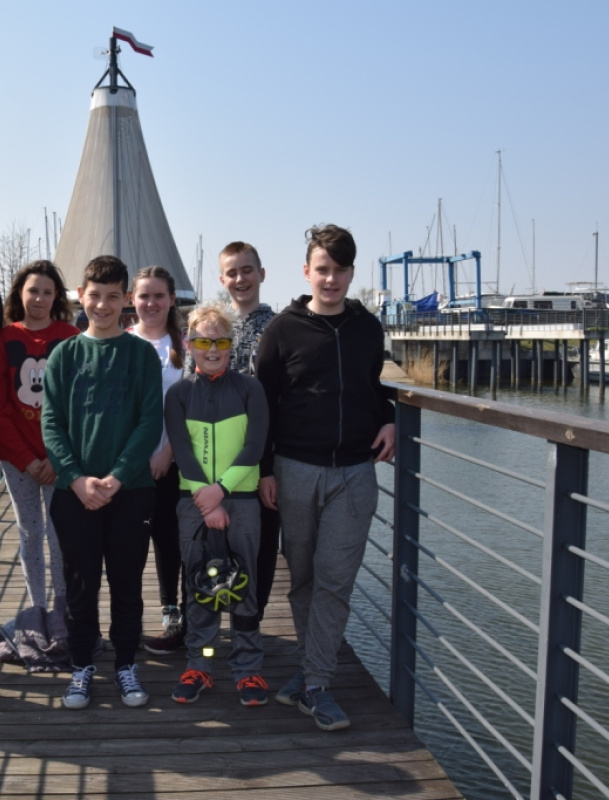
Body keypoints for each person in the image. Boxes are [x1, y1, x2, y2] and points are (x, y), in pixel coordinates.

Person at [255, 224, 395, 732]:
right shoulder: (282, 330)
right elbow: (264, 405)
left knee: (335, 579)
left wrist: (390, 417)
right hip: (295, 469)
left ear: (352, 273)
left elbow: (372, 386)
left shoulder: (367, 328)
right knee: (304, 579)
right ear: (306, 272)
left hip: (354, 473)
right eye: (322, 269)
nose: (330, 279)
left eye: (339, 270)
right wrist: (265, 470)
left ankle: (316, 683)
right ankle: (309, 669)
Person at [41, 255, 162, 710]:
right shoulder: (65, 354)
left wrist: (117, 476)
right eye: (95, 296)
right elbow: (51, 424)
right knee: (80, 585)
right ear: (80, 295)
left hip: (130, 492)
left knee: (127, 584)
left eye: (114, 297)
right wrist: (75, 479)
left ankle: (126, 663)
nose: (103, 305)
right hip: (74, 495)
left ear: (126, 298)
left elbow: (149, 423)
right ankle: (81, 665)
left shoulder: (141, 354)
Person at [165, 303, 270, 707]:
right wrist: (208, 504)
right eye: (203, 342)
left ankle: (247, 668)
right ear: (188, 344)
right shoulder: (179, 394)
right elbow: (182, 452)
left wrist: (221, 492)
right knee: (201, 586)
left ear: (231, 344)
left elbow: (254, 446)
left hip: (240, 499)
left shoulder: (249, 389)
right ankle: (202, 664)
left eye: (221, 342)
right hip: (194, 500)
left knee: (244, 587)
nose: (212, 350)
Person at [0, 261, 79, 612]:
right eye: (32, 291)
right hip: (18, 459)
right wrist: (26, 459)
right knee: (29, 532)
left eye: (47, 292)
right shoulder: (6, 338)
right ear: (19, 294)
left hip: (60, 459)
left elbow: (78, 404)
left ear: (56, 297)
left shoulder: (70, 337)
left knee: (60, 534)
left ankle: (62, 608)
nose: (39, 298)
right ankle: (38, 606)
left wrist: (57, 457)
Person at [216, 242, 281, 621]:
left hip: (262, 457)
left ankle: (251, 619)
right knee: (216, 541)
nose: (240, 279)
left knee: (261, 542)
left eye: (247, 270)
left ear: (261, 274)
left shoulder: (279, 327)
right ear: (222, 279)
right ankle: (210, 621)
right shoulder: (215, 326)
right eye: (232, 272)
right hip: (218, 456)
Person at [127, 266, 187, 656]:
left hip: (173, 461)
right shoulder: (122, 343)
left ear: (171, 300)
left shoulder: (185, 347)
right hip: (131, 466)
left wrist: (169, 452)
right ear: (132, 299)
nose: (151, 303)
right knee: (129, 544)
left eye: (159, 296)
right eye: (144, 296)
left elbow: (194, 408)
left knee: (169, 541)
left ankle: (171, 611)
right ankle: (129, 615)